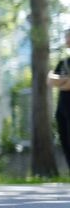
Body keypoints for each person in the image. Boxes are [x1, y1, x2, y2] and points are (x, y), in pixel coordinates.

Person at [48, 28, 70, 170]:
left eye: (67, 36)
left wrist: (60, 81)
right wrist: (64, 80)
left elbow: (67, 84)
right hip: (62, 108)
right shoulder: (64, 63)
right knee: (65, 141)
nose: (66, 39)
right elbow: (50, 80)